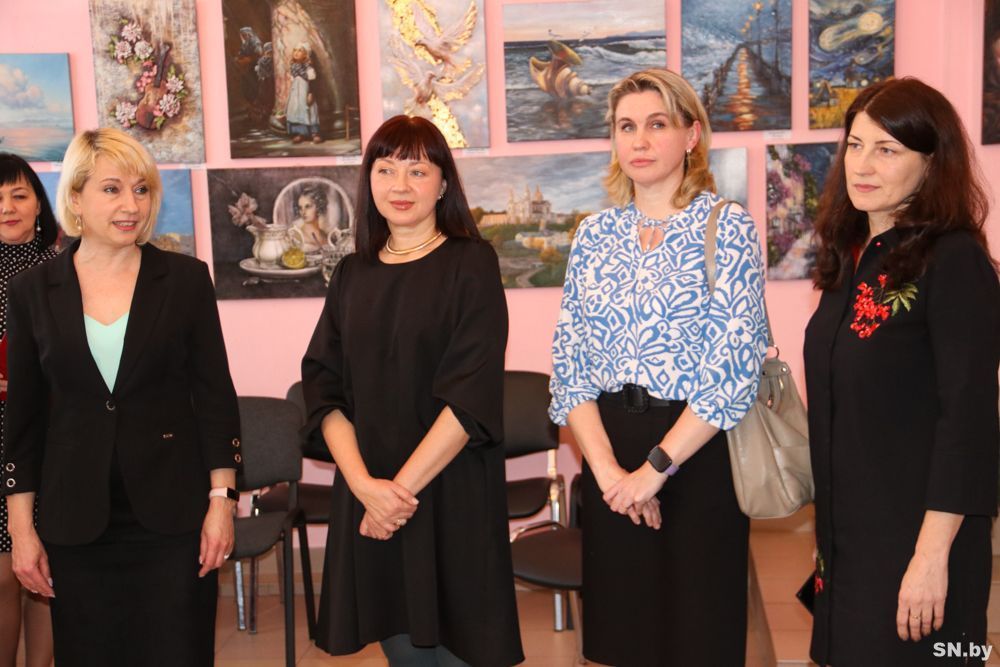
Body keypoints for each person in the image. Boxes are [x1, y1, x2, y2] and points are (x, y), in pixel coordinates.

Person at [548, 68, 767, 666]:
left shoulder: (727, 226)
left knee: (699, 635)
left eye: (657, 124)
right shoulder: (593, 235)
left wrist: (655, 471)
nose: (639, 141)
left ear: (691, 135)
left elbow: (732, 371)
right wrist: (611, 476)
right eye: (626, 127)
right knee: (624, 637)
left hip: (698, 452)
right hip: (611, 454)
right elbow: (570, 367)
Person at [0, 128, 242, 666]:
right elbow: (24, 422)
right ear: (76, 198)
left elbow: (215, 400)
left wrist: (222, 502)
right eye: (112, 189)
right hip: (75, 521)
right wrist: (21, 529)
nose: (131, 205)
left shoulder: (185, 280)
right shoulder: (32, 291)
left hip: (174, 518)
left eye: (141, 189)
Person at [301, 114, 523, 667]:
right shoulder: (351, 274)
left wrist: (394, 498)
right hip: (371, 490)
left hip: (449, 492)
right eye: (386, 169)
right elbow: (323, 389)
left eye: (418, 171)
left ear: (443, 184)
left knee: (459, 652)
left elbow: (470, 396)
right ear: (369, 180)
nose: (400, 185)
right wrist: (364, 487)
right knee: (403, 652)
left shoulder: (472, 263)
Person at [804, 77, 1000, 666]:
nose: (863, 165)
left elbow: (969, 422)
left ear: (931, 163)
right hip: (846, 545)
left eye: (887, 150)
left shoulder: (954, 259)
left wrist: (931, 557)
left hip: (922, 544)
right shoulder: (849, 256)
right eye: (855, 145)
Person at [0, 153, 58, 667]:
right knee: (2, 575)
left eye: (19, 195)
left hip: (54, 435)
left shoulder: (66, 268)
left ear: (39, 203)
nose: (8, 207)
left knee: (47, 573)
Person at [286, 44, 322, 144]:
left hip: (305, 93)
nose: (296, 53)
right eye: (295, 50)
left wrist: (311, 93)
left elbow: (313, 82)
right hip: (296, 95)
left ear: (305, 55)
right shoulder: (293, 67)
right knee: (297, 112)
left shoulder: (308, 67)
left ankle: (315, 133)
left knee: (310, 111)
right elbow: (294, 81)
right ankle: (300, 133)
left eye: (300, 51)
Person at [290, 183, 332, 253]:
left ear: (318, 207)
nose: (303, 212)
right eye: (300, 208)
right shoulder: (297, 236)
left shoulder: (325, 235)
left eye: (308, 206)